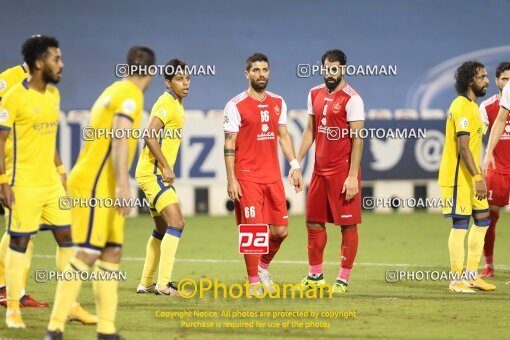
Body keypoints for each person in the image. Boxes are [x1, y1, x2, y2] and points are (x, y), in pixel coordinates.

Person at [46, 46, 155, 339]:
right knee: (88, 252)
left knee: (112, 252)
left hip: (97, 180)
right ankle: (55, 326)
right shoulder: (131, 95)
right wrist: (123, 182)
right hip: (98, 184)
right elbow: (120, 133)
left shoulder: (113, 89)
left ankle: (106, 330)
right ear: (152, 71)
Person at [0, 35, 95, 329]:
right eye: (57, 59)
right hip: (22, 182)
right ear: (39, 62)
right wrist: (3, 181)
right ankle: (13, 308)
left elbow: (48, 136)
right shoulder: (14, 95)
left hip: (50, 182)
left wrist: (59, 165)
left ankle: (70, 304)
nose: (62, 64)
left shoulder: (54, 96)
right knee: (20, 240)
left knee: (68, 239)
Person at [223, 53, 303, 294]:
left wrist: (295, 165)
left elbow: (283, 135)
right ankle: (253, 283)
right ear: (247, 74)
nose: (261, 74)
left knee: (280, 231)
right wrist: (231, 179)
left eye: (265, 70)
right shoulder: (235, 105)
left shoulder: (278, 102)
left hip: (273, 177)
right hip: (247, 177)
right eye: (256, 70)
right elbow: (229, 143)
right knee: (254, 230)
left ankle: (263, 267)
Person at [294, 49, 364, 294]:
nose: (330, 73)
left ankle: (343, 279)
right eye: (326, 68)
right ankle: (315, 276)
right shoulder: (314, 93)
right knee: (313, 223)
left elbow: (357, 140)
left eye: (335, 69)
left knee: (347, 226)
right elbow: (310, 131)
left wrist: (353, 175)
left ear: (343, 69)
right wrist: (296, 163)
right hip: (319, 173)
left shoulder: (353, 99)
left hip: (342, 173)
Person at [439, 60, 494, 293]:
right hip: (458, 178)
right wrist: (478, 177)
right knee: (460, 224)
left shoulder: (473, 107)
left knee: (483, 220)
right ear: (470, 80)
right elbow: (463, 148)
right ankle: (456, 280)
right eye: (482, 77)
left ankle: (471, 276)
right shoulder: (461, 105)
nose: (487, 81)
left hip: (471, 177)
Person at [135, 59, 190, 296]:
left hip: (150, 173)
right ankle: (163, 284)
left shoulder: (176, 103)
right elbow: (148, 135)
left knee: (161, 228)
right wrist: (166, 166)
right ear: (168, 82)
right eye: (179, 79)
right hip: (154, 173)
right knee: (177, 222)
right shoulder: (166, 103)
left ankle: (145, 283)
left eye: (187, 78)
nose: (185, 82)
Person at [478, 62, 510, 278]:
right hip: (498, 171)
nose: (507, 83)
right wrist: (486, 155)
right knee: (487, 218)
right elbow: (478, 133)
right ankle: (488, 265)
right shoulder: (487, 107)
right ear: (498, 80)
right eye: (505, 79)